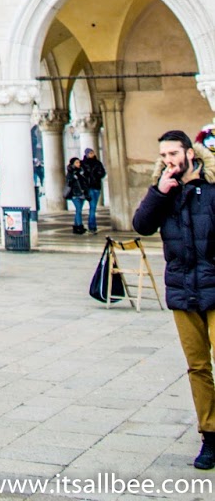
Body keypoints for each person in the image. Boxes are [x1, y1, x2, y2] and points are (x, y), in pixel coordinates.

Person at [133, 129, 215, 470]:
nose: (168, 161)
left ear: (190, 154)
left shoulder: (211, 190)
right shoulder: (163, 191)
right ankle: (211, 435)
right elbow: (141, 226)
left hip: (214, 288)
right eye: (163, 156)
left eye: (173, 155)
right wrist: (158, 193)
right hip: (182, 291)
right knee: (198, 366)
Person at [81, 147, 106, 232]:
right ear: (87, 154)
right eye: (90, 153)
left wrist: (96, 175)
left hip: (97, 187)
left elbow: (103, 172)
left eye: (93, 153)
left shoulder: (98, 163)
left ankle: (92, 225)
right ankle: (92, 226)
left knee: (93, 207)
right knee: (93, 207)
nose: (92, 154)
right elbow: (82, 174)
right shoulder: (84, 163)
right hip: (89, 187)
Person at [65, 156, 87, 233]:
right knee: (78, 210)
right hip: (75, 194)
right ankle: (80, 226)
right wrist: (74, 178)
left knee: (79, 210)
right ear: (73, 164)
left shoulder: (81, 171)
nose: (79, 164)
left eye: (79, 162)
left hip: (82, 194)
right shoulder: (70, 173)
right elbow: (69, 182)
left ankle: (76, 226)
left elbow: (84, 182)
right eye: (77, 162)